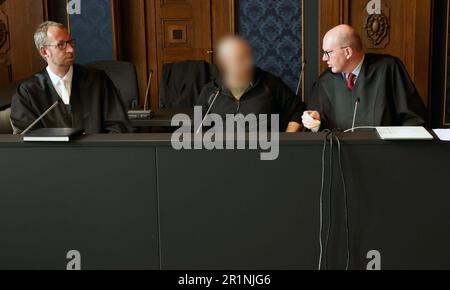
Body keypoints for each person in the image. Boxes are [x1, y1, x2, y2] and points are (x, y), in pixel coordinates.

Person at [11, 21, 133, 134]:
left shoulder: (98, 80)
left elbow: (119, 127)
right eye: (61, 45)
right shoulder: (28, 92)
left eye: (70, 42)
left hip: (97, 155)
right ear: (44, 52)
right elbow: (25, 139)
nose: (71, 49)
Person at [302, 24, 427, 132]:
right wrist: (314, 122)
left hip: (383, 154)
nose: (324, 58)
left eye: (328, 52)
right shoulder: (325, 80)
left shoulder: (388, 69)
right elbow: (315, 125)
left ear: (347, 52)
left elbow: (413, 119)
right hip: (340, 156)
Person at [196, 36, 305, 132]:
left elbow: (299, 111)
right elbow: (198, 129)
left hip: (265, 152)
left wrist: (286, 142)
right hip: (224, 152)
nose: (248, 63)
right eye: (241, 59)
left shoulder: (270, 83)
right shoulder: (210, 91)